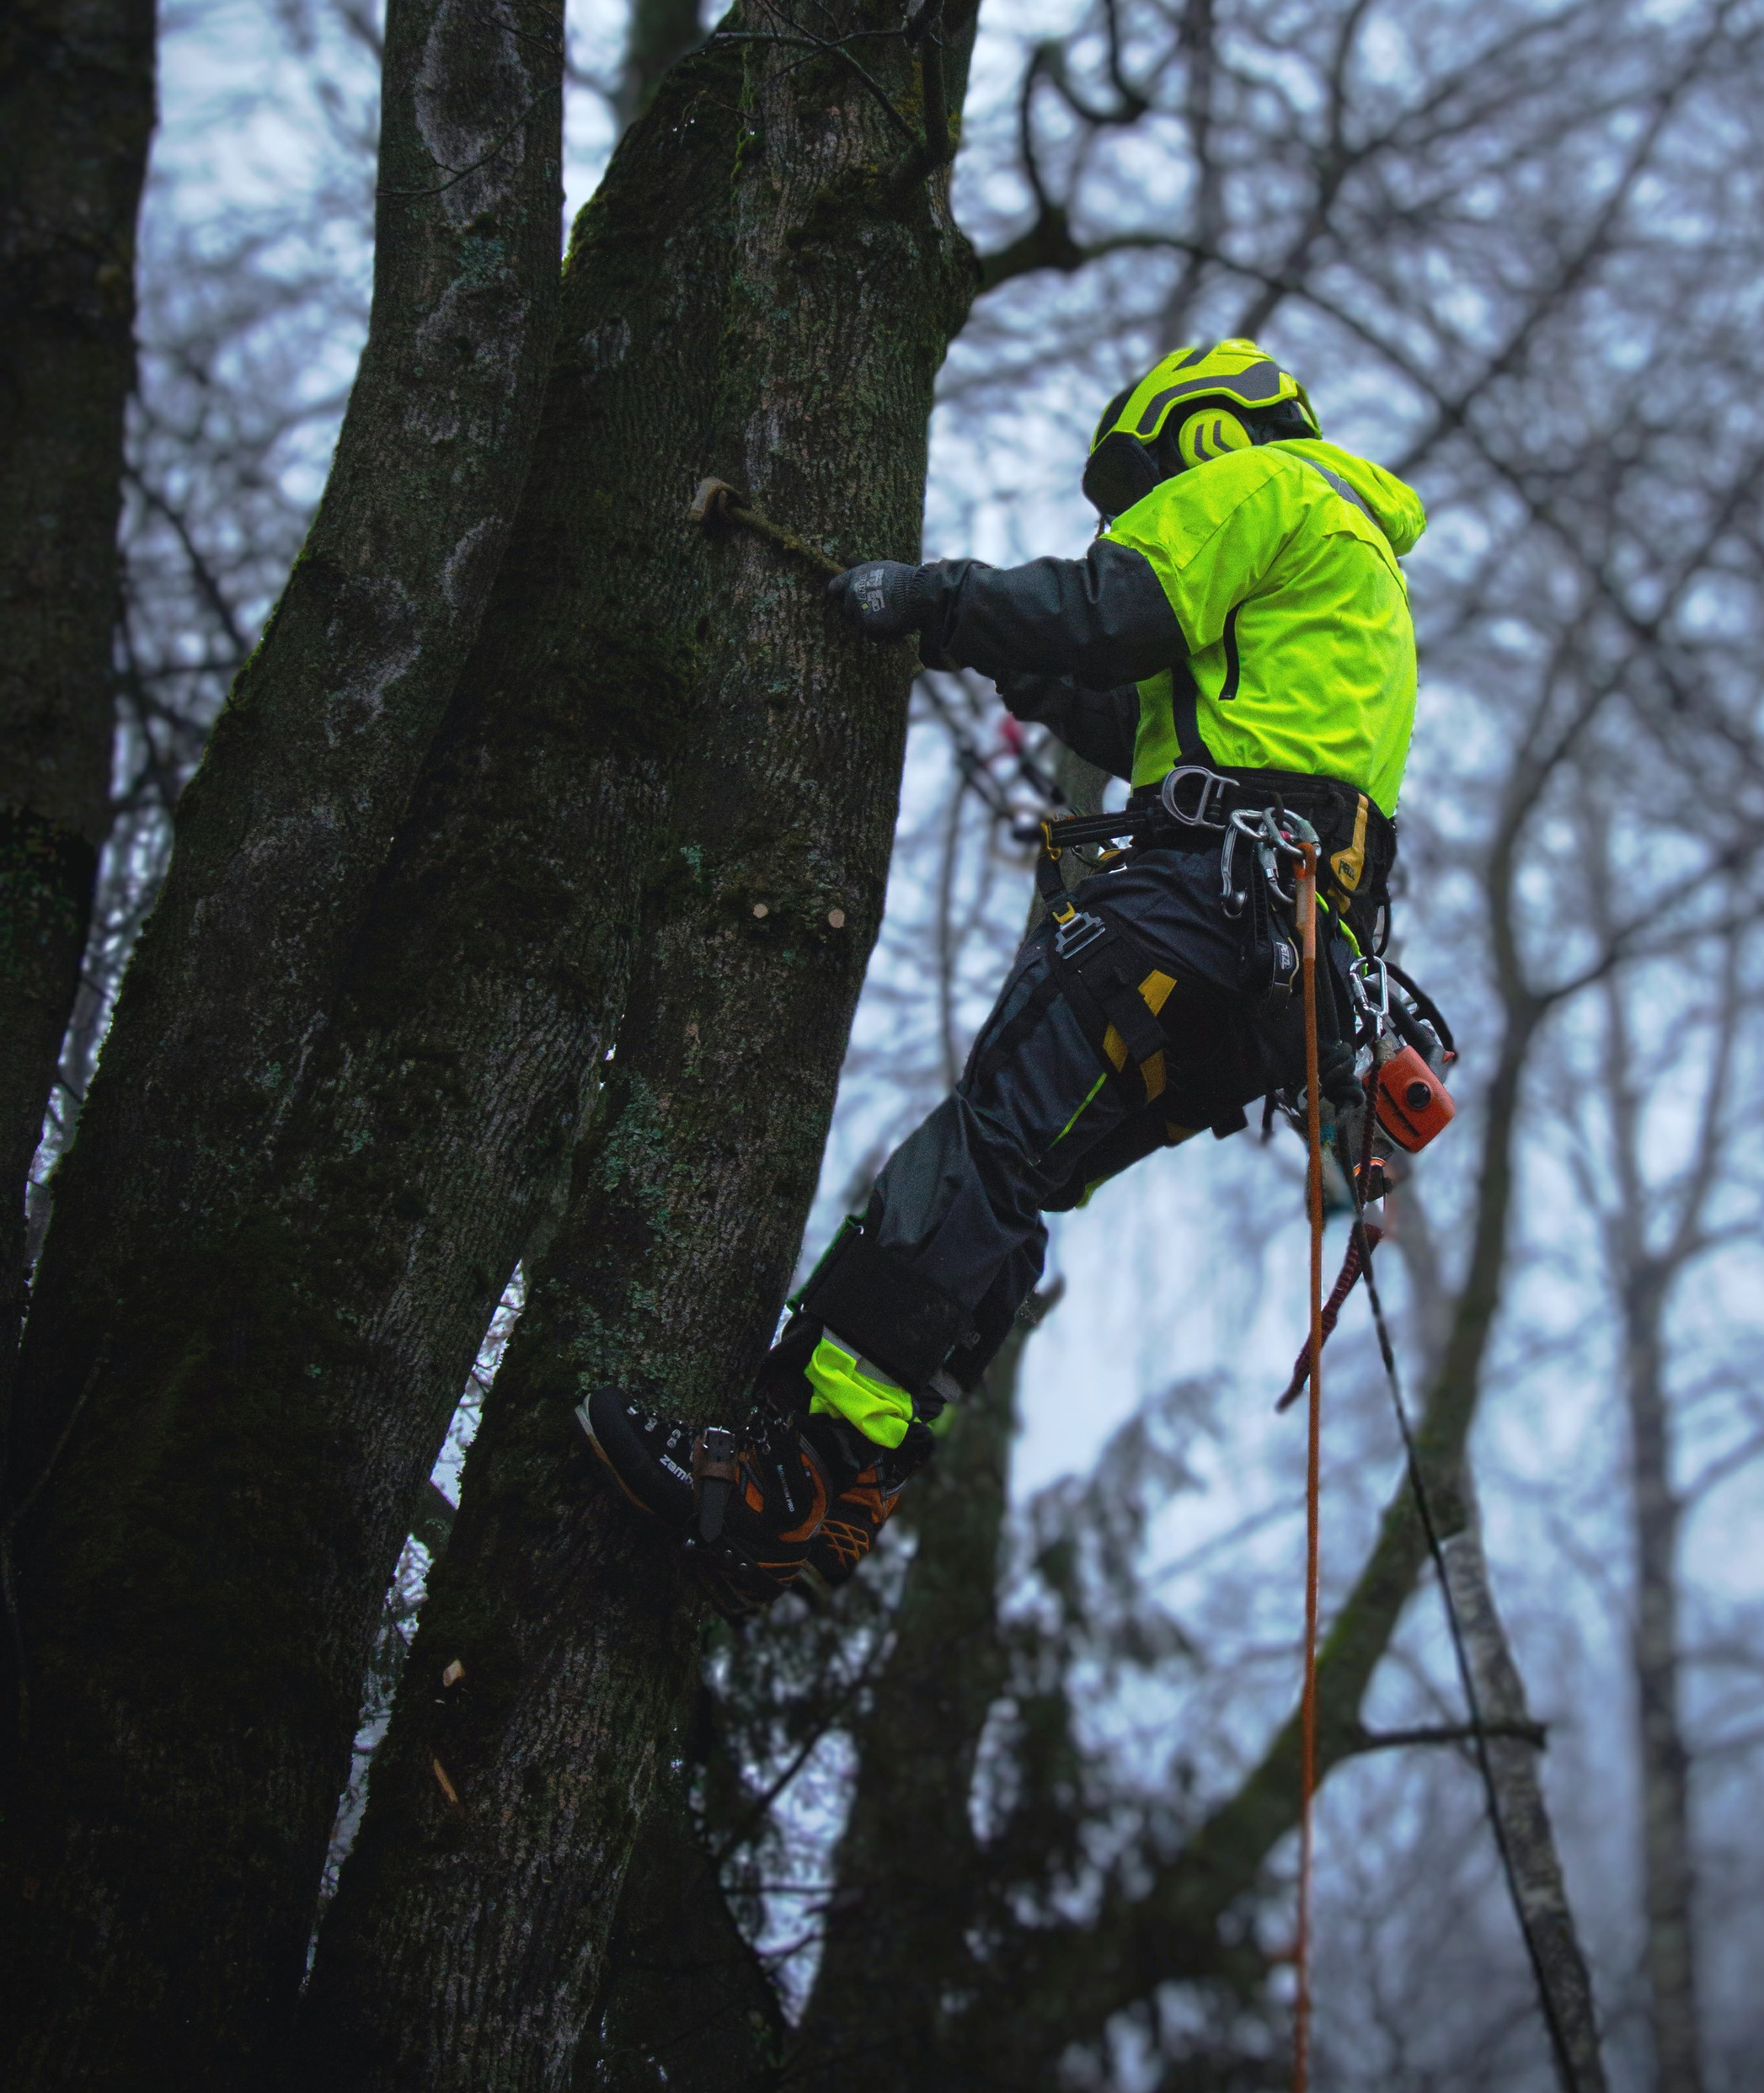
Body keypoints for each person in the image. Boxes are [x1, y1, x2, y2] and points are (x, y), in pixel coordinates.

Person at [578, 339, 1424, 1615]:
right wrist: (983, 645)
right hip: (1278, 978)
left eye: (1137, 497)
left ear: (1196, 436)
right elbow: (1135, 705)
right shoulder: (1354, 564)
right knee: (1015, 1179)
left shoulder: (1264, 485)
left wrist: (947, 597)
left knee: (982, 1152)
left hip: (1204, 904)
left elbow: (1107, 612)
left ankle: (780, 1469)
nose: (1135, 522)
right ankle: (843, 1487)